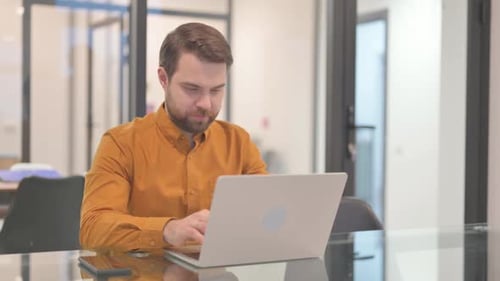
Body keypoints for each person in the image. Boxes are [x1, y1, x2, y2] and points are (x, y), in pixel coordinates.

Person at [80, 22, 267, 252]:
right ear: (163, 78)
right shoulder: (121, 144)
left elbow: (266, 216)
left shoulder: (239, 143)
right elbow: (93, 228)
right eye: (192, 89)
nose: (206, 104)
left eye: (216, 90)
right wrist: (167, 231)